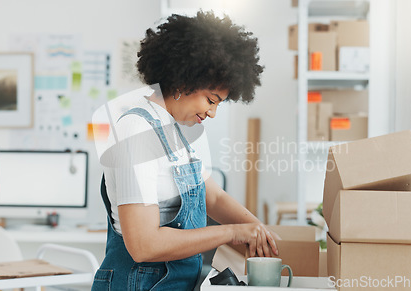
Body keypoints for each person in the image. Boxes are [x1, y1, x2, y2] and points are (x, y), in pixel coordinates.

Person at [92, 11, 278, 291]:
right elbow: (144, 246)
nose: (213, 113)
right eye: (211, 100)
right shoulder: (136, 133)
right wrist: (233, 232)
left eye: (219, 104)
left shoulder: (185, 129)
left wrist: (261, 233)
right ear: (183, 80)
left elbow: (212, 196)